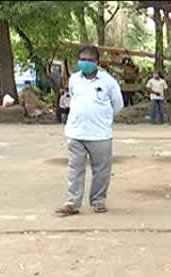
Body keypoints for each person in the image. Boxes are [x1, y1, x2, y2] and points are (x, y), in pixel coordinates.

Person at [54, 45, 123, 217]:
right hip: (76, 132)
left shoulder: (108, 82)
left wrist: (104, 120)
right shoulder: (74, 80)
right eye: (82, 60)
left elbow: (118, 105)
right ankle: (72, 203)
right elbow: (72, 97)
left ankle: (98, 200)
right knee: (75, 169)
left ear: (97, 62)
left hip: (100, 134)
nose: (85, 63)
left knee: (101, 170)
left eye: (89, 60)